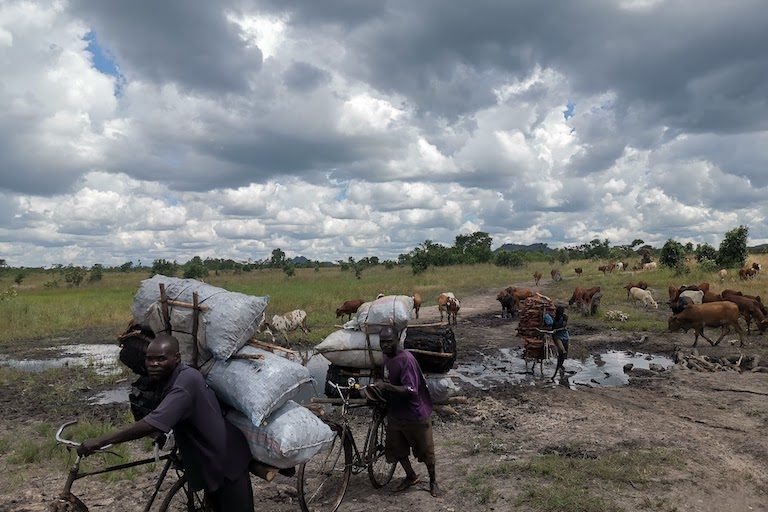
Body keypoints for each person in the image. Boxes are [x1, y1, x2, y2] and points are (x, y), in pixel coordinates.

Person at [77, 334, 254, 511]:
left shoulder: (186, 382)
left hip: (227, 461)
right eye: (150, 359)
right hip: (205, 460)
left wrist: (101, 440)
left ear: (176, 358)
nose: (154, 364)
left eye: (161, 359)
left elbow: (151, 424)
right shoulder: (168, 379)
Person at [374, 326, 440, 497]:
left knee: (426, 451)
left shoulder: (406, 360)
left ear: (397, 340)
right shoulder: (386, 357)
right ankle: (410, 476)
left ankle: (433, 481)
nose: (385, 345)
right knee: (397, 448)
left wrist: (386, 386)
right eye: (382, 342)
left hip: (415, 413)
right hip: (396, 412)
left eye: (389, 342)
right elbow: (383, 376)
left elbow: (411, 390)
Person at [543, 305, 570, 382]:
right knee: (562, 351)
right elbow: (550, 326)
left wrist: (556, 329)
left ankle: (560, 365)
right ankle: (556, 371)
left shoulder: (565, 317)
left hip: (564, 335)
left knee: (564, 355)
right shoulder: (553, 317)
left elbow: (564, 326)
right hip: (557, 337)